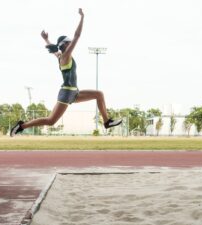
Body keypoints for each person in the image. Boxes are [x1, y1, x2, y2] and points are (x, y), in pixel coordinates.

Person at [10, 8, 122, 137]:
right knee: (51, 121)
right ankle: (21, 126)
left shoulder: (60, 55)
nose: (71, 44)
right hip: (67, 92)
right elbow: (77, 36)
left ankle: (107, 122)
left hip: (74, 92)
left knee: (99, 94)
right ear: (65, 45)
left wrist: (46, 39)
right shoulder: (66, 56)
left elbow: (54, 50)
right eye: (69, 43)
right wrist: (82, 17)